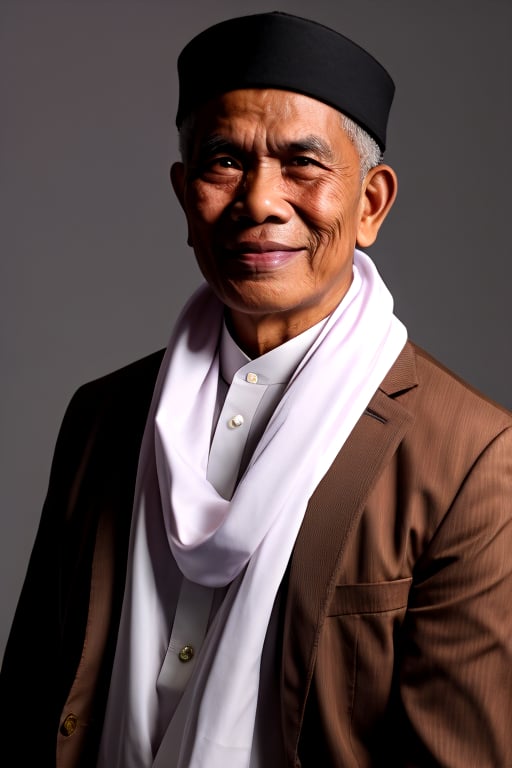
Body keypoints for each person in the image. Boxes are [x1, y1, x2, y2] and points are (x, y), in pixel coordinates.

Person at [1, 10, 511, 768]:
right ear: (184, 197)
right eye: (224, 162)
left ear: (370, 203)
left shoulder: (471, 460)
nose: (261, 202)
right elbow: (30, 706)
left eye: (303, 165)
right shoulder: (103, 418)